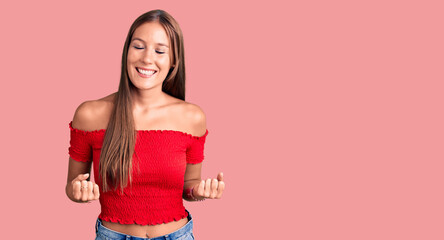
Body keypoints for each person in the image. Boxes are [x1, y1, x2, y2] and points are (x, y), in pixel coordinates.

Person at [65, 9, 225, 240]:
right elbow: (72, 185)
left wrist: (198, 191)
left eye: (160, 51)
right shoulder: (90, 114)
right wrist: (78, 191)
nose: (147, 58)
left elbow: (189, 185)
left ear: (173, 62)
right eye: (138, 46)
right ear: (126, 52)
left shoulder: (192, 117)